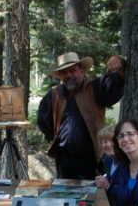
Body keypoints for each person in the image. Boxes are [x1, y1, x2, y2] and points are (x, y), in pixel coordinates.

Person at [37, 52, 126, 180]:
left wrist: (119, 60)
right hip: (65, 160)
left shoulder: (95, 88)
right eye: (64, 72)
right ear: (60, 76)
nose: (68, 75)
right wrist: (52, 138)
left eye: (72, 71)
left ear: (82, 71)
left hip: (93, 157)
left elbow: (115, 81)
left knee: (94, 196)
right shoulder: (54, 94)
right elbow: (43, 120)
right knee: (66, 195)